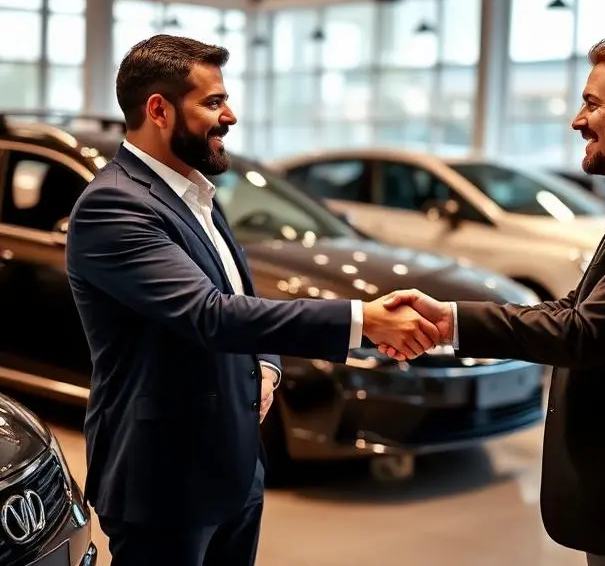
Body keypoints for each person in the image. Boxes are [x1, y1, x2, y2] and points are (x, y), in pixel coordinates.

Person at [65, 34, 440, 566]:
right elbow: (208, 314)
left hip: (235, 466)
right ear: (159, 110)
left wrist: (265, 363)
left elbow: (237, 295)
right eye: (213, 102)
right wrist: (363, 320)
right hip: (164, 477)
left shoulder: (194, 194)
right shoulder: (114, 205)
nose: (231, 116)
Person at [379, 37, 605, 566]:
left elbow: (582, 333)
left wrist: (450, 329)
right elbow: (577, 309)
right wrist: (451, 318)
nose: (578, 120)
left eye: (593, 103)